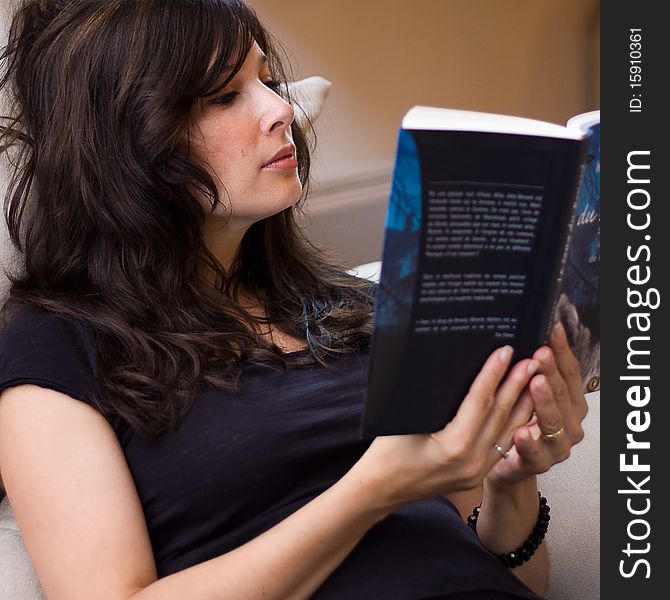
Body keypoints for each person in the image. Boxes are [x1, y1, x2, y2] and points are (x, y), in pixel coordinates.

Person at [0, 1, 587, 599]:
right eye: (223, 96)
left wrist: (513, 483)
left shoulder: (353, 307)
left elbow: (516, 580)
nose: (282, 110)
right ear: (125, 143)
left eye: (268, 81)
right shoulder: (54, 343)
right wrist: (372, 490)